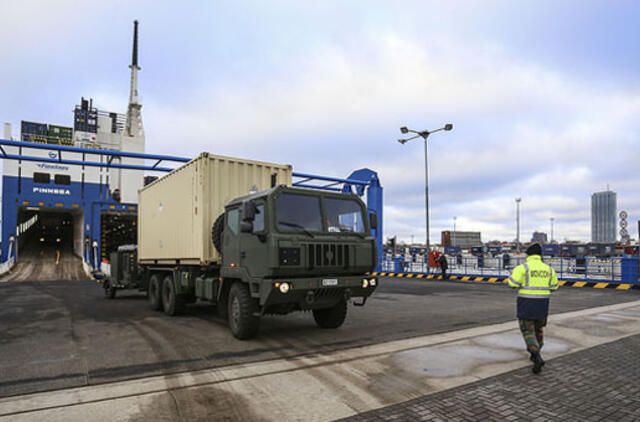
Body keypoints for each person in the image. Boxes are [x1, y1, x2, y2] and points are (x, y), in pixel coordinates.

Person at [506, 243, 559, 374]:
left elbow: (512, 283)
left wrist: (512, 278)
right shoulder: (548, 269)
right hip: (543, 304)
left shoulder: (523, 268)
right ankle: (536, 353)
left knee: (528, 331)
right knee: (538, 329)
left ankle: (536, 355)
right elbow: (554, 286)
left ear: (528, 255)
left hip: (527, 304)